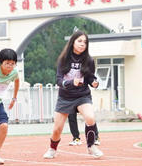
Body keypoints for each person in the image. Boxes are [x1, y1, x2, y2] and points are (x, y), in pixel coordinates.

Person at [43, 30, 102, 159]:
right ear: (72, 42)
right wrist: (71, 82)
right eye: (79, 41)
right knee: (57, 129)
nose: (82, 44)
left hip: (82, 96)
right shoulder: (64, 59)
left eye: (85, 42)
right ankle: (52, 149)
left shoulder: (89, 60)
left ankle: (91, 146)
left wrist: (94, 82)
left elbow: (90, 78)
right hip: (65, 97)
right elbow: (58, 80)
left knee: (90, 118)